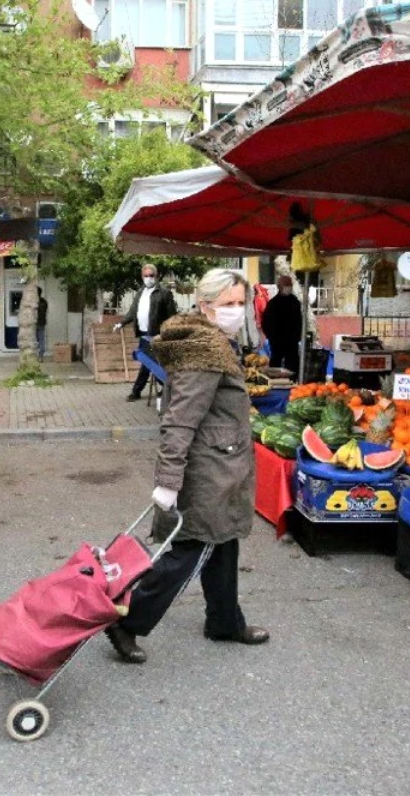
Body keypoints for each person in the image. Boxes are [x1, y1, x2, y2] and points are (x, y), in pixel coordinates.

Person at [104, 268, 268, 665]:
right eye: (227, 303)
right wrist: (168, 481)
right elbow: (180, 420)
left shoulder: (212, 341)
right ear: (205, 305)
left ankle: (225, 621)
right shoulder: (205, 351)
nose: (236, 310)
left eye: (240, 302)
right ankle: (126, 621)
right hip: (208, 469)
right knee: (189, 550)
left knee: (224, 542)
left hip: (221, 463)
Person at [114, 263, 178, 401]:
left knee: (150, 363)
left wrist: (169, 334)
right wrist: (121, 323)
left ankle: (138, 391)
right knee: (148, 363)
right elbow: (133, 311)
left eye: (151, 275)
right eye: (146, 276)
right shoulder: (140, 292)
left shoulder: (164, 293)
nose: (149, 278)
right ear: (142, 277)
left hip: (158, 336)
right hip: (144, 335)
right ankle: (166, 388)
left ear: (157, 276)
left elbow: (172, 316)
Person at [261, 274, 302, 374]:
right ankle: (274, 384)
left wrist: (297, 336)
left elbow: (299, 321)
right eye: (286, 285)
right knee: (275, 365)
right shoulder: (273, 303)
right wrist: (271, 336)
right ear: (280, 286)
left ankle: (294, 382)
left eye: (290, 284)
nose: (289, 287)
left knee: (293, 365)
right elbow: (265, 322)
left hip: (292, 341)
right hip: (277, 341)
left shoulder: (295, 302)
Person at [36, 287, 49, 361]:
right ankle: (41, 356)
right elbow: (45, 311)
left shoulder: (33, 302)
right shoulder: (44, 301)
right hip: (42, 322)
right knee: (41, 339)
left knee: (33, 339)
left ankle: (33, 355)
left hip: (34, 323)